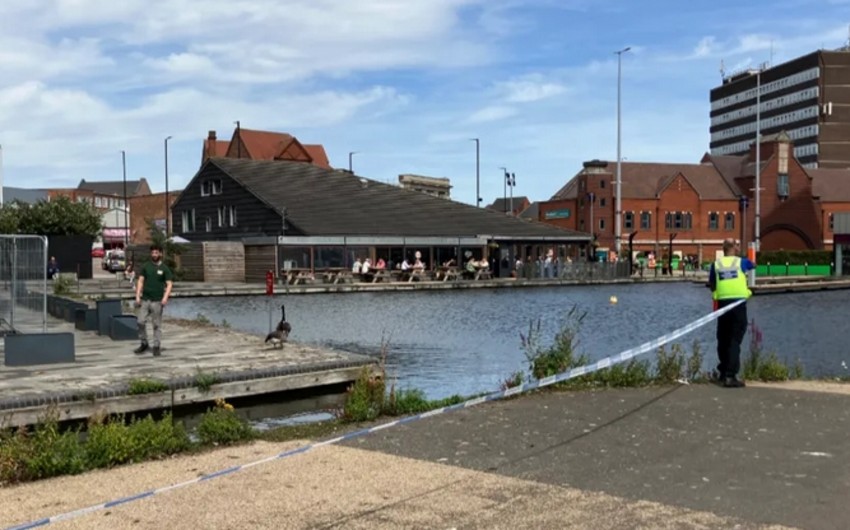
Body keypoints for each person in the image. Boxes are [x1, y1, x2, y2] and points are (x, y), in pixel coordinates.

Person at [708, 238, 755, 388]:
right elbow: (753, 264)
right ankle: (730, 375)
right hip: (738, 306)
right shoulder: (741, 262)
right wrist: (750, 251)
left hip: (722, 305)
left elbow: (712, 284)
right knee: (735, 340)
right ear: (734, 248)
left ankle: (722, 372)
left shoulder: (716, 265)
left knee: (723, 339)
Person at [134, 244, 173, 357]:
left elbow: (169, 284)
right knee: (140, 321)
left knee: (156, 324)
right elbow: (140, 281)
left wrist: (165, 297)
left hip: (157, 300)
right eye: (152, 253)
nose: (154, 255)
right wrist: (137, 296)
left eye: (156, 253)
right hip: (145, 299)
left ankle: (156, 346)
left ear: (160, 253)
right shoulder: (146, 266)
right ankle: (144, 343)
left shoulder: (164, 269)